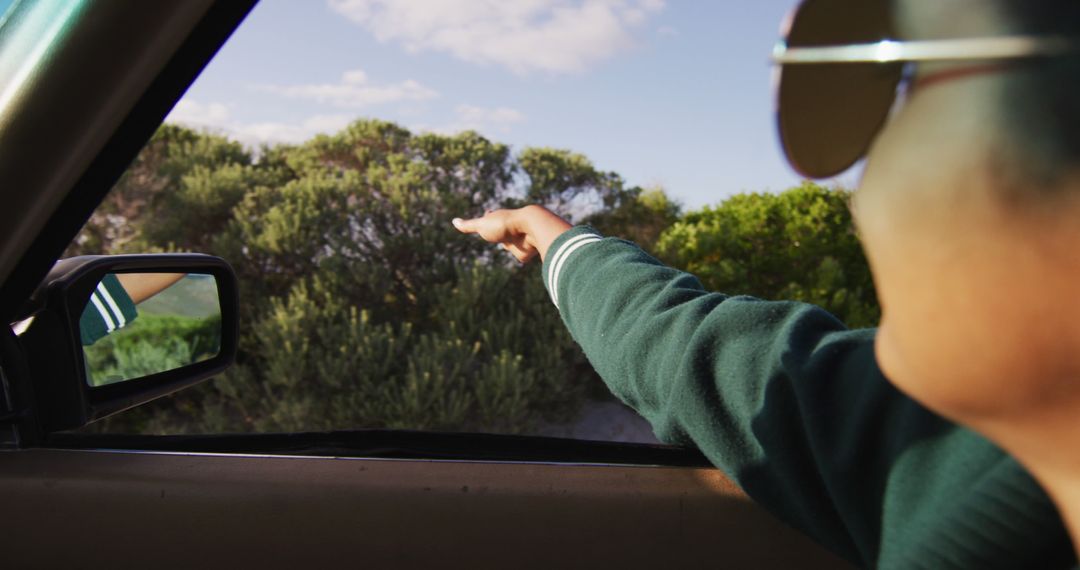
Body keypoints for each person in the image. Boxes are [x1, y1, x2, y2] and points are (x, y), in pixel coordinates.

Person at [453, 0, 1080, 567]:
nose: (864, 185)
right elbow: (694, 354)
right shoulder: (948, 443)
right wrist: (559, 239)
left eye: (915, 83)